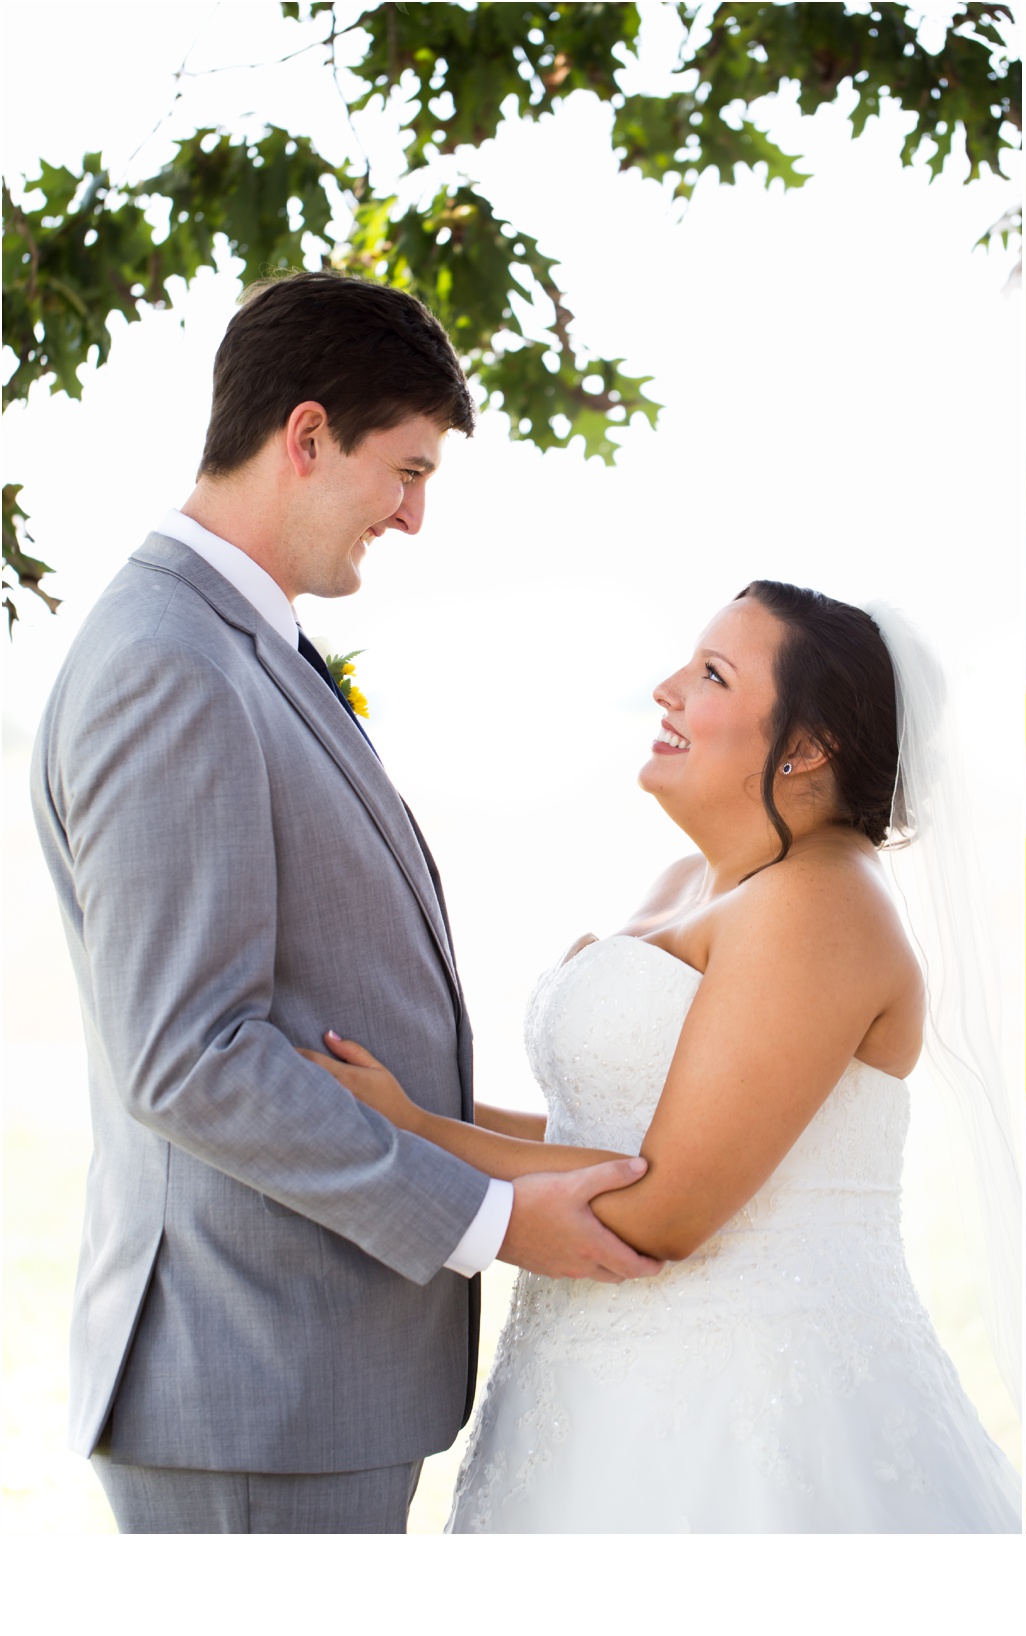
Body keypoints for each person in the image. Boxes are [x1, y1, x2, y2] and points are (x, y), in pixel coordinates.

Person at [30, 272, 662, 1535]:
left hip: (301, 1380)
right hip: (252, 1382)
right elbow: (191, 1059)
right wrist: (485, 1220)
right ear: (307, 435)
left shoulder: (241, 640)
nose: (415, 518)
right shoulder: (171, 663)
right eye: (406, 471)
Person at [306, 581, 1023, 1531]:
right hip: (588, 1387)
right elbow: (593, 1142)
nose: (666, 689)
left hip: (742, 1403)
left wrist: (417, 1133)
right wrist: (421, 1110)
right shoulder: (692, 881)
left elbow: (665, 1207)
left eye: (712, 674)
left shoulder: (825, 904)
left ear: (807, 747)